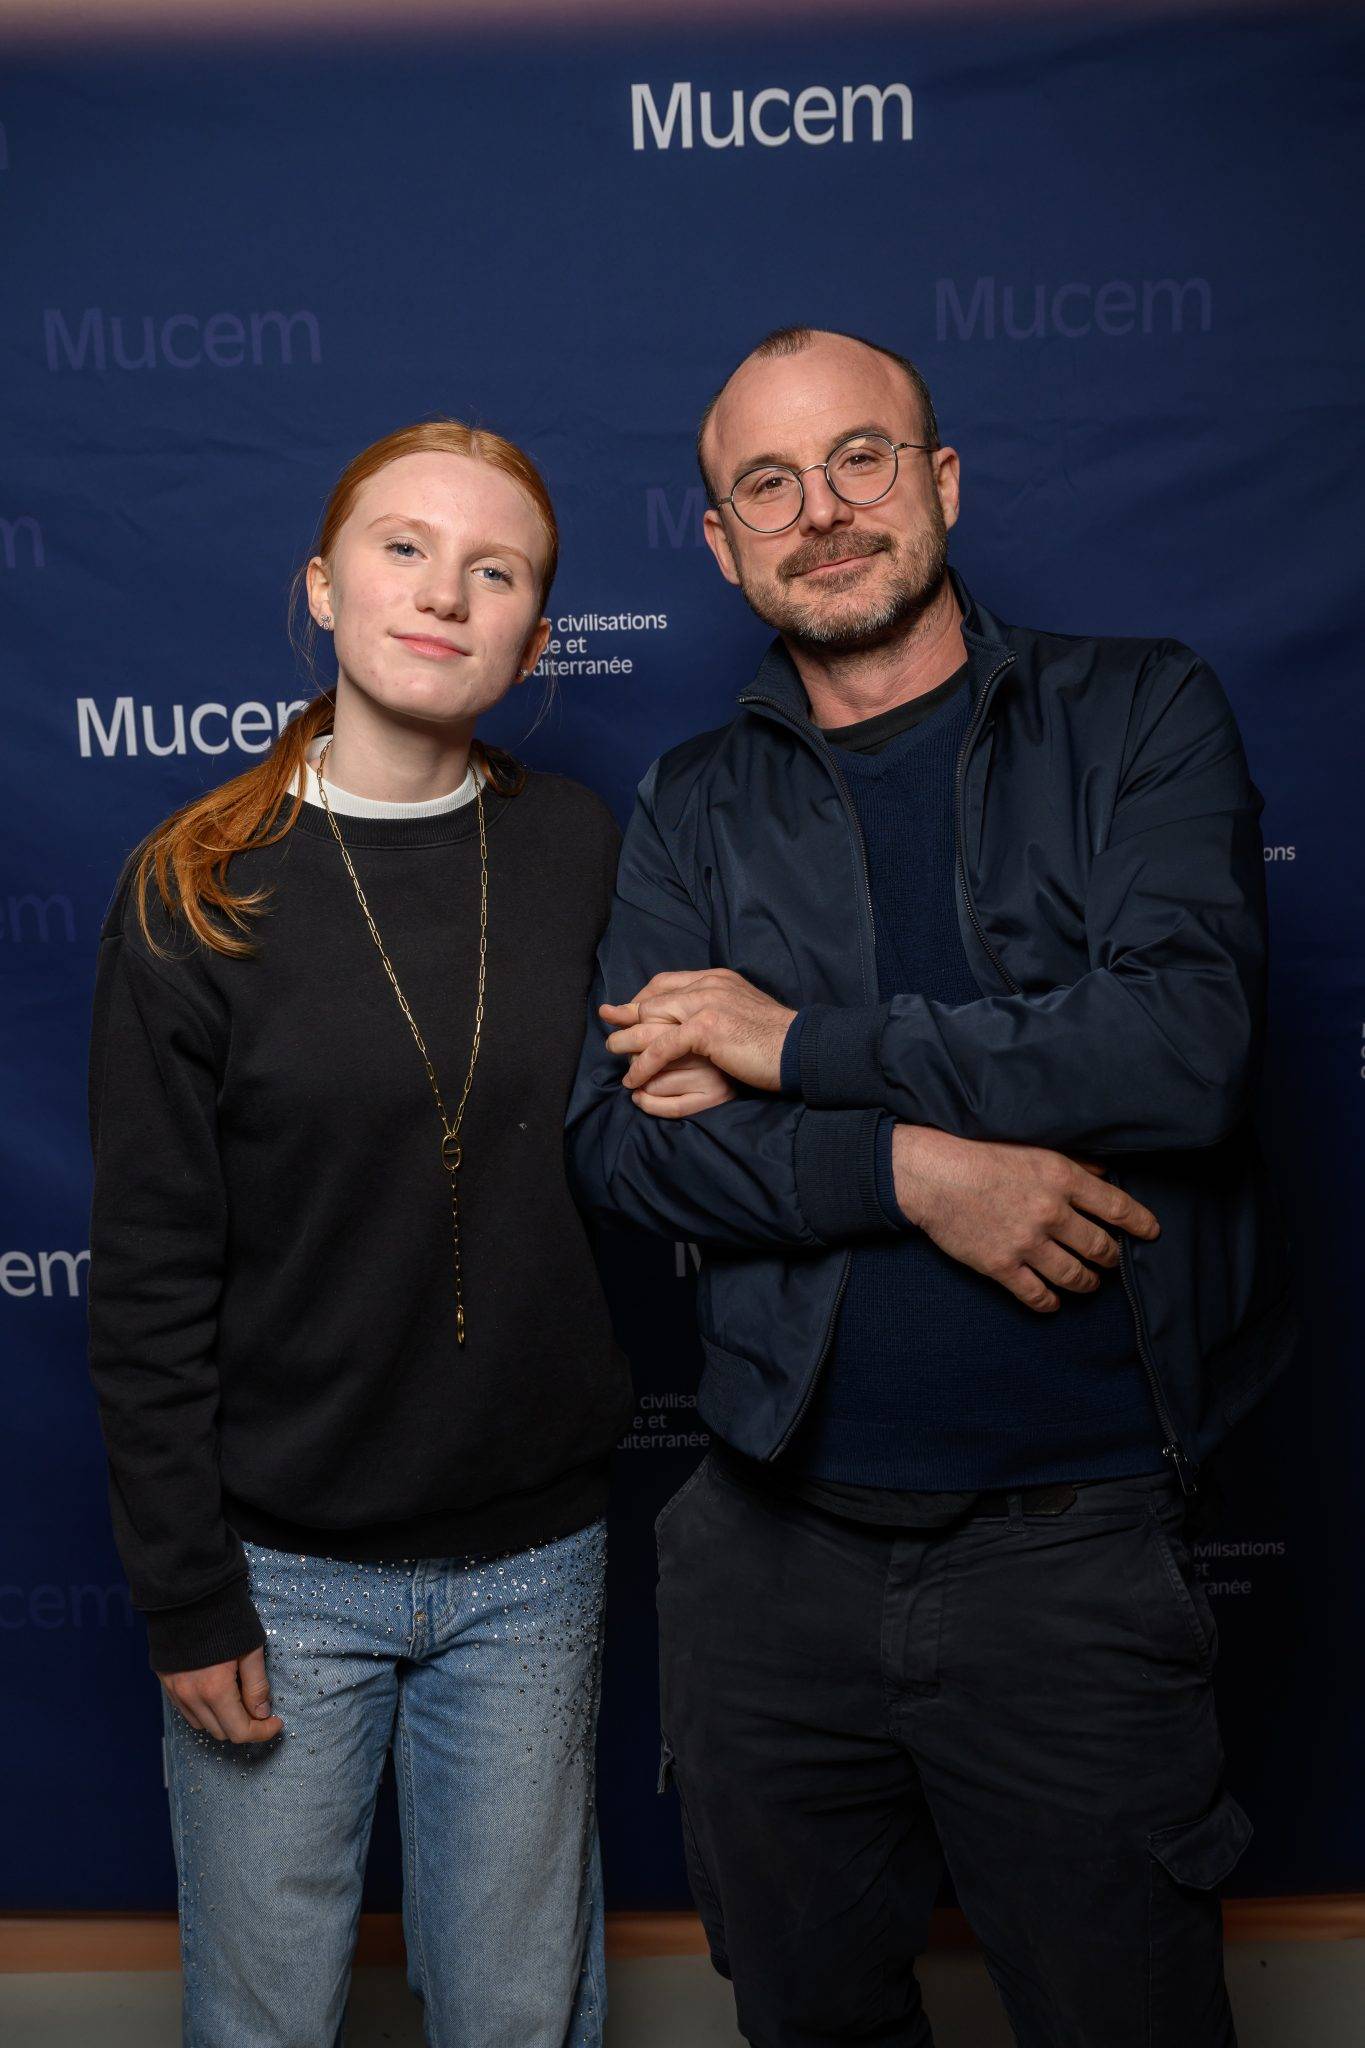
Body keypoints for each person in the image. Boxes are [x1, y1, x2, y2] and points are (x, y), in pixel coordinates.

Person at [567, 329, 1295, 2046]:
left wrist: (797, 1045)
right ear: (721, 543)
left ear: (941, 481)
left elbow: (1179, 1049)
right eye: (767, 484)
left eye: (860, 461)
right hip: (767, 1558)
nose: (819, 513)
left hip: (1077, 1553)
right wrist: (914, 1170)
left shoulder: (1136, 712)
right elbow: (623, 1139)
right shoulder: (691, 802)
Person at [86, 417, 731, 2048]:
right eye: (401, 548)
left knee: (519, 2017)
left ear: (532, 635)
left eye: (493, 569)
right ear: (321, 587)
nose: (442, 594)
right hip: (278, 1569)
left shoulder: (588, 845)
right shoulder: (197, 889)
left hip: (532, 1564)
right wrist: (186, 1593)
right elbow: (151, 1278)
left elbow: (679, 1105)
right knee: (266, 2020)